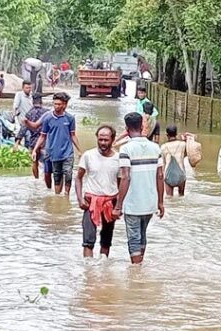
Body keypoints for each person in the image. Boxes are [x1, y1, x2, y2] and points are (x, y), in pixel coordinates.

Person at [114, 112, 165, 264]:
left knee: (134, 237)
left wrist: (118, 205)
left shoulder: (125, 149)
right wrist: (160, 202)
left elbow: (125, 177)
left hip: (132, 203)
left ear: (127, 129)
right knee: (142, 234)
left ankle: (136, 271)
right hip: (150, 202)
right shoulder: (156, 148)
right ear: (142, 127)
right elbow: (160, 176)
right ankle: (140, 264)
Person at [75, 125, 120, 258]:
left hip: (110, 202)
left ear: (112, 140)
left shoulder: (119, 158)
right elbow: (78, 178)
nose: (103, 143)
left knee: (106, 240)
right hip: (90, 202)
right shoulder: (88, 156)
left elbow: (121, 182)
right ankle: (89, 272)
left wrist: (119, 206)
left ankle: (103, 269)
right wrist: (80, 199)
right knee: (88, 241)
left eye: (106, 140)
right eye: (100, 140)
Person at [32, 92, 83, 195]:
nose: (56, 106)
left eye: (59, 104)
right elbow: (43, 136)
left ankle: (66, 195)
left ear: (64, 104)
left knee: (68, 173)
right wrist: (34, 150)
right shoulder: (48, 119)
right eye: (55, 104)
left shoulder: (70, 118)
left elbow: (72, 135)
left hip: (67, 152)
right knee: (57, 176)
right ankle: (57, 196)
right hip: (53, 152)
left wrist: (80, 150)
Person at [13, 93, 51, 186]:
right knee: (47, 162)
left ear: (32, 101)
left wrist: (17, 142)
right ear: (41, 101)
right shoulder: (47, 113)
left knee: (34, 162)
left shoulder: (29, 113)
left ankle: (36, 180)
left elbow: (23, 128)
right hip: (44, 141)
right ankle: (46, 181)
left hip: (33, 141)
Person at [160, 125, 190, 196]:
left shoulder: (163, 147)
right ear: (176, 134)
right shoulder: (183, 144)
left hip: (168, 175)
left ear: (167, 135)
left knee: (169, 198)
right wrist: (185, 140)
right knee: (181, 196)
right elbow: (186, 155)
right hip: (181, 174)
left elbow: (163, 162)